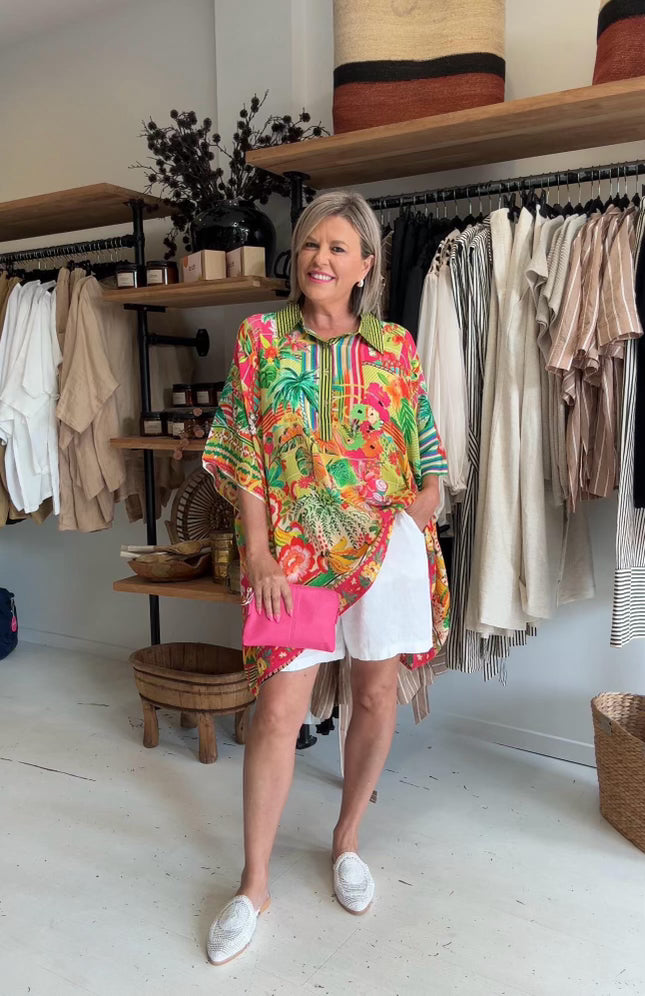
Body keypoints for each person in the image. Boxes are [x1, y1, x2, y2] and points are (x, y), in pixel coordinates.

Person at [202, 190, 450, 965]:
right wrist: (257, 553)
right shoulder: (261, 339)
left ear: (365, 266)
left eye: (338, 247)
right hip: (294, 558)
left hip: (386, 546)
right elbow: (245, 455)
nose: (320, 258)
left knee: (374, 694)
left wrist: (421, 505)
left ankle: (346, 841)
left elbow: (427, 452)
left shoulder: (395, 345)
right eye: (311, 243)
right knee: (279, 711)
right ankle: (253, 884)